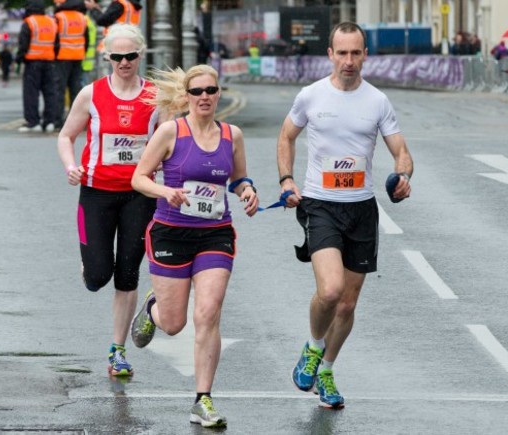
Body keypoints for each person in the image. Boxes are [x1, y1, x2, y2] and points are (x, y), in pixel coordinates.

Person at [277, 22, 413, 409]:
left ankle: (327, 371)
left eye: (356, 53)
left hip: (361, 208)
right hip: (319, 205)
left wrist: (403, 175)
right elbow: (286, 136)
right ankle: (313, 346)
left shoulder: (377, 101)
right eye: (342, 53)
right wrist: (287, 180)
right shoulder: (311, 96)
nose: (349, 61)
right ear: (330, 55)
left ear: (365, 54)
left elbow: (401, 151)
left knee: (349, 304)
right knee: (331, 290)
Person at [129, 64, 259, 428]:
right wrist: (165, 191)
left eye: (211, 90)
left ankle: (203, 400)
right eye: (197, 91)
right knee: (173, 324)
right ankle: (154, 309)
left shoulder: (232, 135)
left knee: (209, 312)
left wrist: (247, 191)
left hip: (215, 234)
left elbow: (238, 178)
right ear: (186, 96)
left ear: (219, 94)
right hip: (171, 232)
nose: (204, 97)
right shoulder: (171, 131)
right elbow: (139, 177)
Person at [57, 24, 161, 377]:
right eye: (117, 56)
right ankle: (92, 263)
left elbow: (172, 142)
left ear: (140, 55)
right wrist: (71, 166)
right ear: (107, 58)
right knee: (98, 276)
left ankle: (117, 352)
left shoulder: (156, 97)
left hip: (139, 194)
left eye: (130, 55)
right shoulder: (91, 94)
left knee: (127, 273)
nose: (124, 62)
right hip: (96, 193)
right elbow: (66, 136)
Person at [16, 0, 59, 133]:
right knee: (50, 93)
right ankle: (50, 122)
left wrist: (19, 59)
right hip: (49, 63)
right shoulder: (52, 22)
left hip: (33, 63)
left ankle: (33, 122)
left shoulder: (29, 22)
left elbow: (23, 44)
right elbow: (57, 44)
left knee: (31, 94)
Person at [54, 0, 90, 129]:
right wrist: (81, 52)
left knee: (59, 90)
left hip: (62, 57)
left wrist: (55, 54)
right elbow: (86, 38)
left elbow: (55, 38)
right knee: (76, 90)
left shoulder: (59, 17)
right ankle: (77, 122)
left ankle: (58, 121)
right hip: (78, 56)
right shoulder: (81, 17)